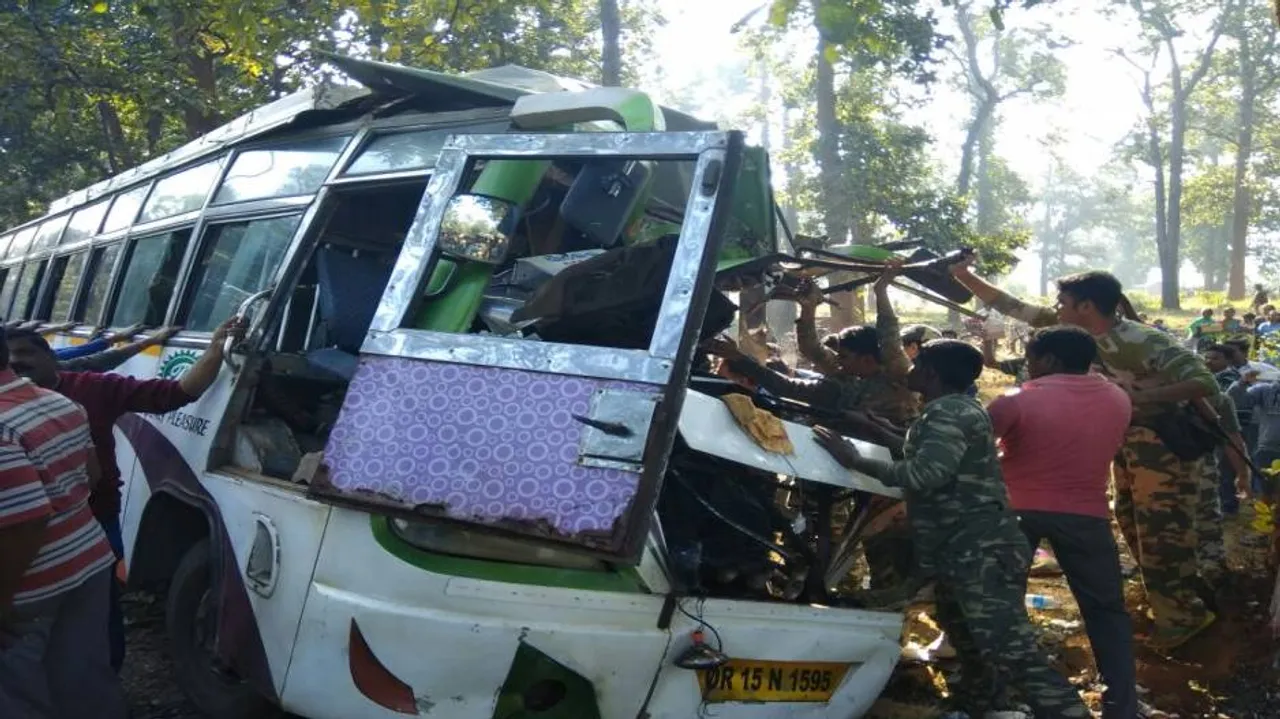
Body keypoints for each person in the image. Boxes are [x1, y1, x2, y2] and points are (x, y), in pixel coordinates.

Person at [949, 262, 1219, 651]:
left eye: (1063, 302)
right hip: (1129, 448)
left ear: (1087, 306)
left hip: (1165, 450)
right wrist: (962, 273)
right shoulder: (1075, 335)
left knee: (1162, 534)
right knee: (1131, 526)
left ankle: (1183, 619)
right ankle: (1170, 606)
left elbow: (1203, 381)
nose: (1055, 308)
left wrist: (1133, 400)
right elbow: (1011, 305)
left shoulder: (1140, 340)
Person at [813, 340, 1088, 719]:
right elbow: (931, 456)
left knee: (1010, 648)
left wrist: (857, 461)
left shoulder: (947, 414)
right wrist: (881, 431)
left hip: (978, 551)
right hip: (962, 548)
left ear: (931, 372)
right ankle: (980, 705)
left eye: (916, 363)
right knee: (968, 638)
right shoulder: (952, 409)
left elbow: (925, 474)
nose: (908, 369)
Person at [6, 316, 244, 672]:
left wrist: (215, 349)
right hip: (29, 537)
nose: (16, 366)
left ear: (53, 359)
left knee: (99, 616)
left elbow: (176, 394)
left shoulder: (90, 389)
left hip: (94, 523)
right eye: (7, 360)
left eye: (25, 356)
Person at [985, 326, 1136, 719]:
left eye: (1031, 358)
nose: (1027, 367)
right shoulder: (1118, 399)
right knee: (1106, 612)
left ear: (1049, 360)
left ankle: (1000, 695)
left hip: (1015, 512)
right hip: (1087, 514)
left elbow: (974, 451)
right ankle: (1121, 705)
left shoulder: (1017, 400)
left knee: (1002, 604)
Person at [0, 328, 127, 719]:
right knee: (82, 674)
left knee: (17, 691)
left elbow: (26, 521)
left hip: (28, 584)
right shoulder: (55, 401)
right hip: (87, 560)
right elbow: (90, 476)